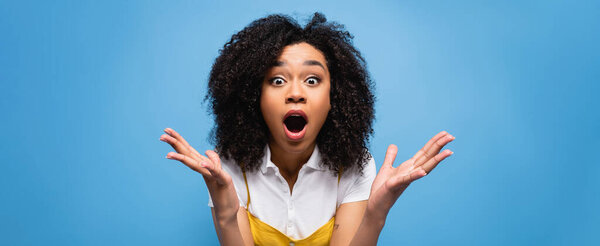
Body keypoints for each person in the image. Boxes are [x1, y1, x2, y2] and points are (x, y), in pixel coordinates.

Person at [160, 12, 455, 246]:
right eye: (277, 80)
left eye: (312, 80)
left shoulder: (355, 165)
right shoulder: (229, 165)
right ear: (254, 98)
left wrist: (376, 215)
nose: (295, 93)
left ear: (334, 97)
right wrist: (226, 214)